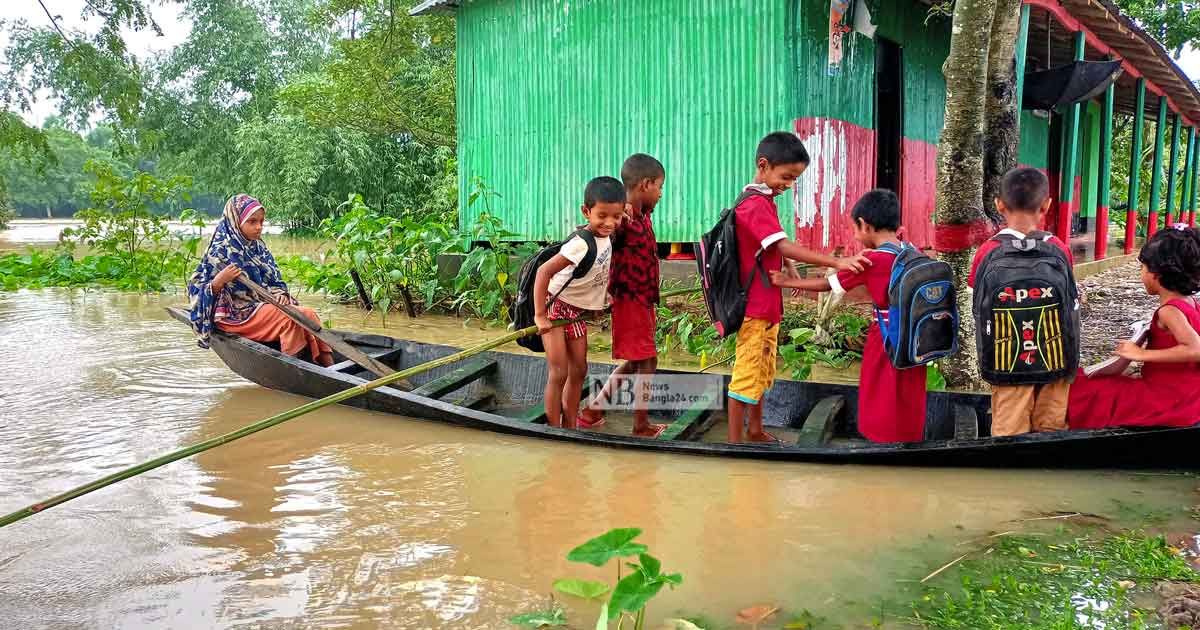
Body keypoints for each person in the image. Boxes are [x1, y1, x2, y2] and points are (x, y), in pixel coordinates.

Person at [726, 131, 870, 443]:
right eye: (786, 177)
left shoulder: (765, 201)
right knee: (745, 376)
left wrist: (787, 265)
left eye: (794, 179)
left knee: (763, 371)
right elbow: (783, 244)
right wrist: (836, 263)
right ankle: (735, 442)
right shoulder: (753, 205)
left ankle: (754, 430)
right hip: (754, 307)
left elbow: (770, 246)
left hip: (767, 306)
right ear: (763, 166)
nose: (789, 185)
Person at [771, 189, 927, 442]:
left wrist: (786, 282)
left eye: (855, 229)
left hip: (886, 337)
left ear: (864, 225)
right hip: (916, 339)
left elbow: (827, 284)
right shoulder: (913, 252)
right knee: (907, 393)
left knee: (881, 393)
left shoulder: (871, 260)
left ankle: (881, 443)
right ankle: (909, 442)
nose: (855, 235)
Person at [968, 168, 1075, 436]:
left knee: (1009, 429)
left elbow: (977, 298)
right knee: (1051, 427)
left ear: (999, 205)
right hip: (1056, 358)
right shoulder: (1059, 249)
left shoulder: (988, 251)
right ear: (1047, 205)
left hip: (1007, 359)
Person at [1067, 226, 1200, 429]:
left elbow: (1195, 349)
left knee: (1087, 388)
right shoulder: (1190, 302)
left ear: (1156, 274)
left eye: (1142, 268)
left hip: (1169, 400)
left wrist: (1140, 354)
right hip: (1189, 394)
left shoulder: (1170, 311)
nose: (1141, 274)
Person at [187, 194, 333, 367]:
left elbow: (274, 281)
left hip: (259, 306)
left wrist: (280, 294)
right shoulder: (219, 251)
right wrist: (219, 281)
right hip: (234, 315)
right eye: (252, 222)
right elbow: (196, 290)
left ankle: (331, 368)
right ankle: (296, 369)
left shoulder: (258, 247)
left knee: (308, 314)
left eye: (261, 222)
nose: (258, 227)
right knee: (289, 319)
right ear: (235, 221)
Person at [579, 154, 668, 437]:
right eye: (660, 187)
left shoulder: (642, 215)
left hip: (643, 300)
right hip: (630, 300)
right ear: (646, 184)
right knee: (647, 359)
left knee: (637, 360)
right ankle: (640, 425)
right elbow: (597, 236)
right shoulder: (624, 218)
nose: (661, 193)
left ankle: (594, 411)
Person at [533, 177, 622, 429]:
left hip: (575, 311)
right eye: (602, 215)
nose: (609, 223)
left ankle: (570, 425)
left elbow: (597, 275)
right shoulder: (580, 243)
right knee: (559, 372)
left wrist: (594, 307)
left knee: (580, 370)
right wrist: (540, 315)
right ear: (586, 211)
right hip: (555, 308)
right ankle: (554, 427)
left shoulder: (608, 236)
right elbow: (543, 273)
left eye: (615, 217)